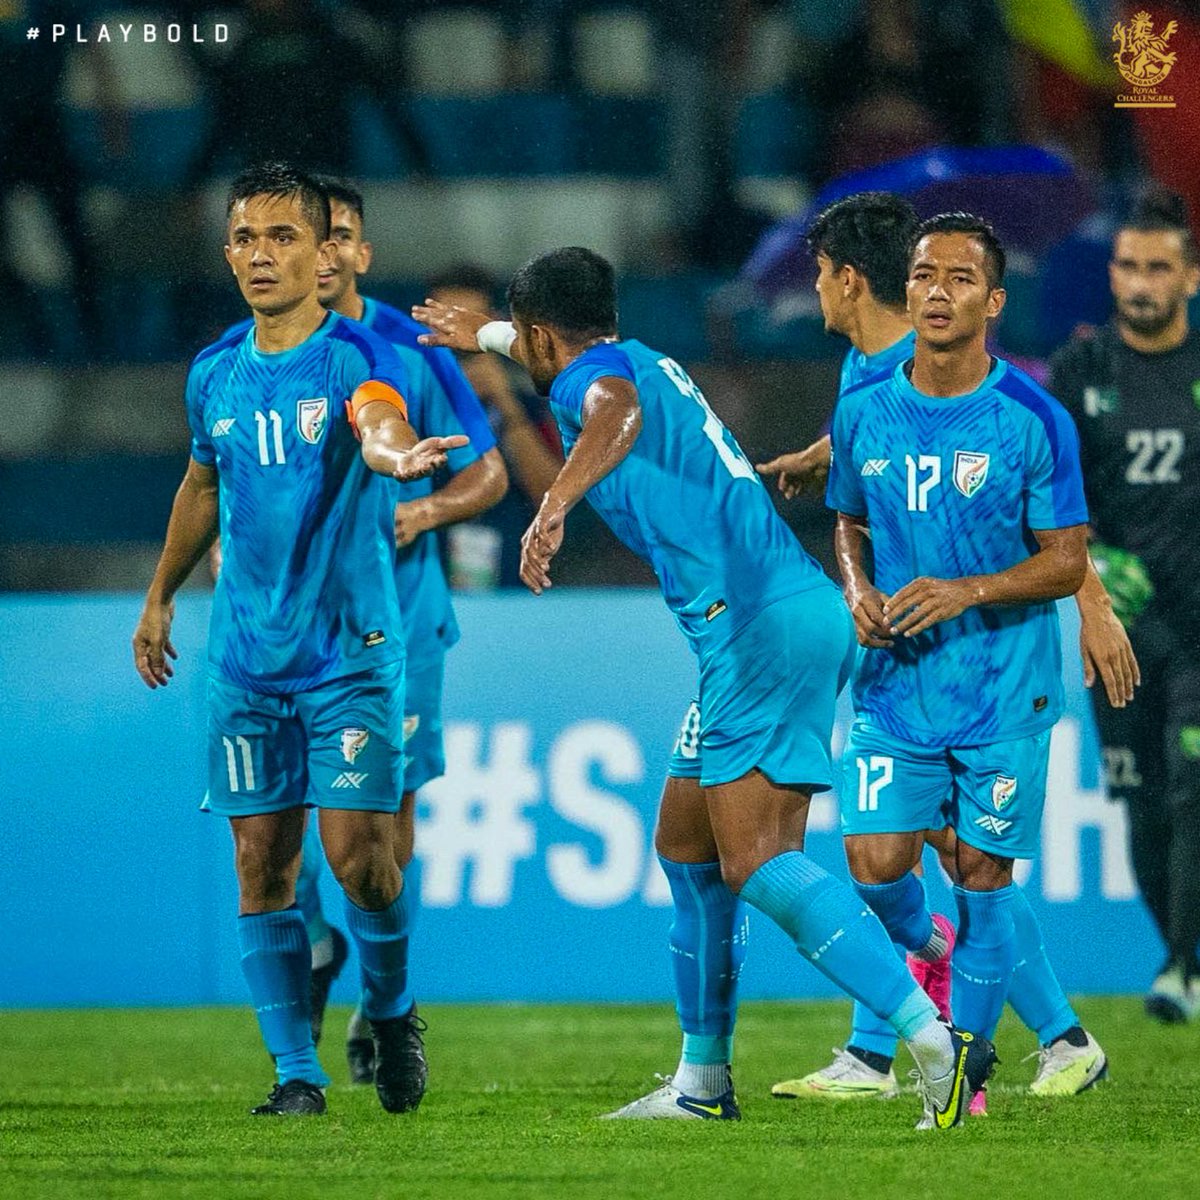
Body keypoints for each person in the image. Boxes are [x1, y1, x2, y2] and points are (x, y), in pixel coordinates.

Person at [414, 246, 996, 1131]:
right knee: (689, 850)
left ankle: (931, 1040)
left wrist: (557, 499)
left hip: (757, 626)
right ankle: (703, 1082)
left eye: (518, 338)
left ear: (542, 336)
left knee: (755, 859)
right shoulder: (632, 352)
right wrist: (488, 334)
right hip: (775, 619)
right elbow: (584, 370)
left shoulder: (598, 386)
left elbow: (610, 411)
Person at [761, 195, 1132, 1104]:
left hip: (991, 674)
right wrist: (850, 565)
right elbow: (862, 489)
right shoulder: (869, 381)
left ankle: (914, 1048)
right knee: (896, 858)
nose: (934, 292)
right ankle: (1026, 1031)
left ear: (849, 278)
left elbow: (1043, 524)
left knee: (968, 865)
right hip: (900, 668)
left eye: (956, 278)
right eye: (924, 274)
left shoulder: (1001, 402)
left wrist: (1093, 603)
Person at [131, 162, 466, 1118]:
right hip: (245, 661)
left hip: (349, 654)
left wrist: (400, 454)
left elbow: (379, 428)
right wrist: (159, 597)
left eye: (282, 238)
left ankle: (393, 1011)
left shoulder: (354, 360)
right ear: (229, 252)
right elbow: (202, 487)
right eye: (245, 239)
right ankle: (296, 1076)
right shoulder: (213, 373)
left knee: (361, 855)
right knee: (261, 864)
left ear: (325, 253)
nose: (261, 256)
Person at [294, 179, 508, 1094]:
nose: (332, 252)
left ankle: (379, 1002)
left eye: (345, 236)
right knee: (295, 826)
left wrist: (425, 509)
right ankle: (314, 943)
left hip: (404, 622)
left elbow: (490, 473)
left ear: (363, 252)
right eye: (319, 237)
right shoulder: (259, 353)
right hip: (296, 631)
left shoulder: (411, 352)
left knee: (386, 822)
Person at [1049, 187, 1200, 1023]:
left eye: (1157, 267)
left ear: (1191, 277)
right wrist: (1093, 563)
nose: (1139, 283)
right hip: (1119, 629)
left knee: (1192, 786)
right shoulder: (1082, 371)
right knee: (1141, 801)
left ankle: (1181, 967)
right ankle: (1181, 955)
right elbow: (1048, 491)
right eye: (1127, 266)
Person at [425, 265, 563, 588]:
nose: (456, 341)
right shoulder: (400, 401)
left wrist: (503, 400)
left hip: (510, 592)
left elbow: (551, 496)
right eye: (445, 323)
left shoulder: (528, 405)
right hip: (425, 589)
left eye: (468, 324)